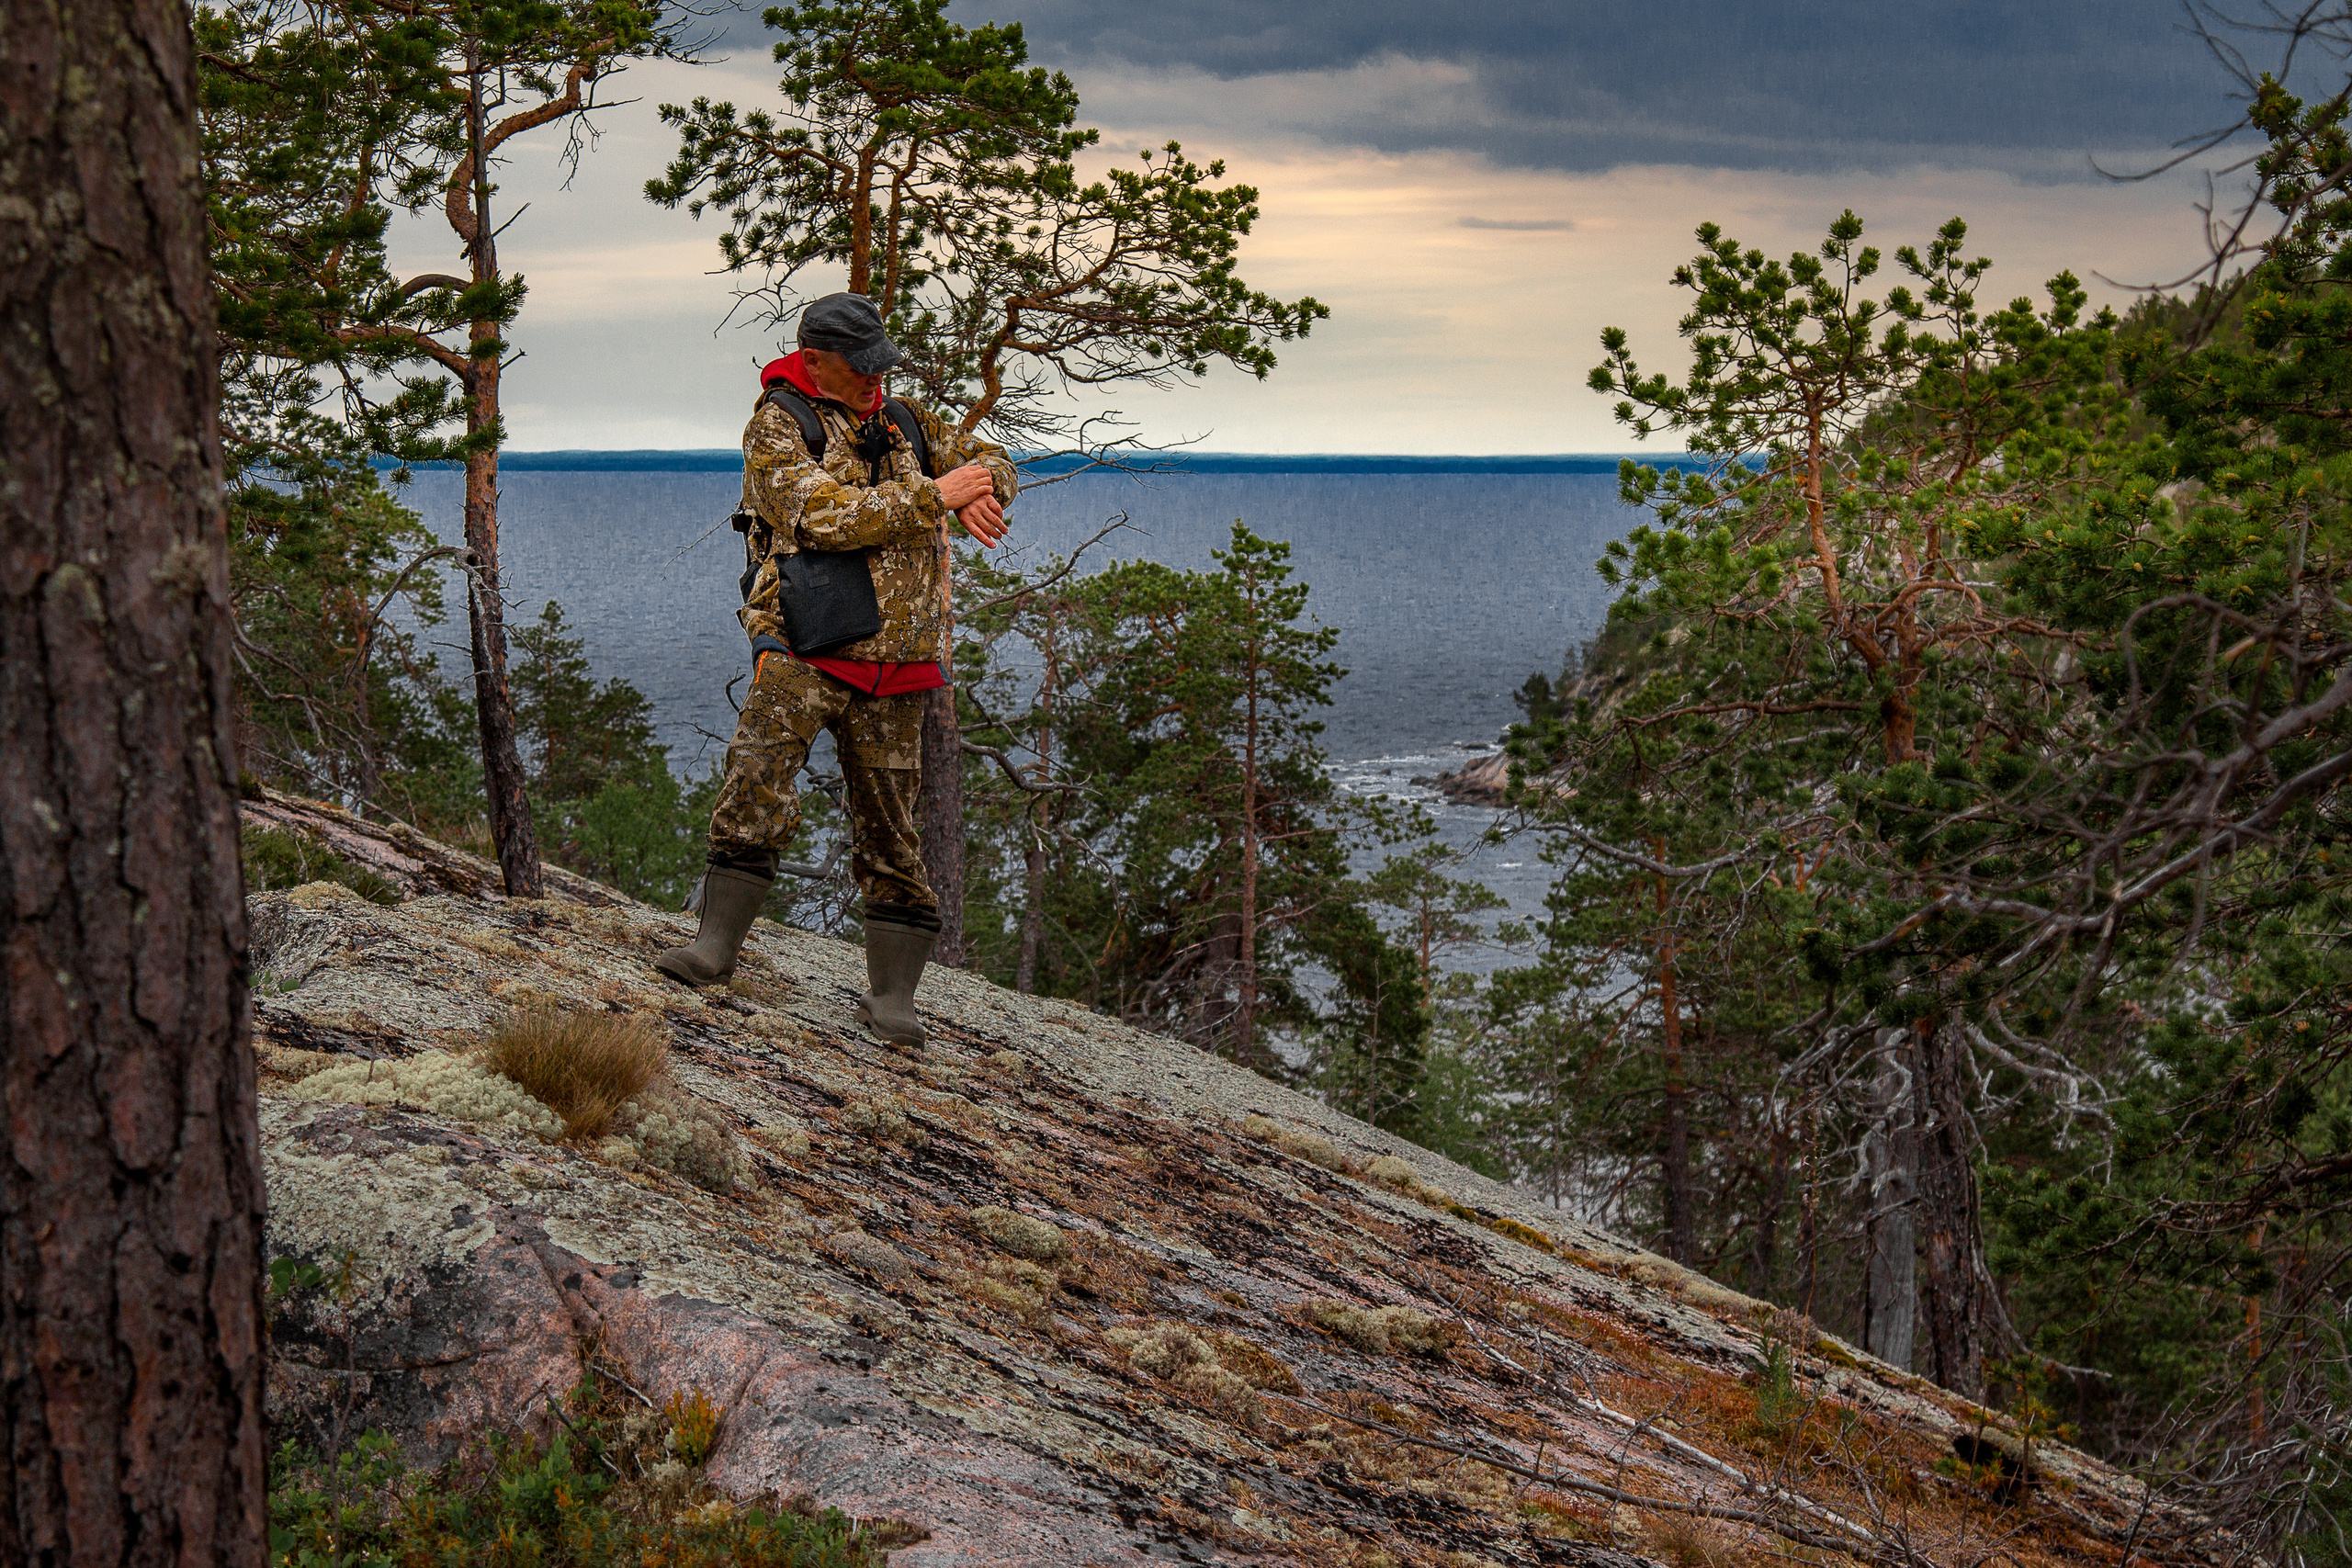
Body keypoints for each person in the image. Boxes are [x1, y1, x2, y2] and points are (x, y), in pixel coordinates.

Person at [655, 293, 1012, 1049]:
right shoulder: (779, 424)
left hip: (899, 665)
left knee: (891, 828)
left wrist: (982, 488)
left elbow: (991, 461)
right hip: (805, 646)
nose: (875, 379)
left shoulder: (909, 419)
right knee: (755, 781)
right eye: (860, 367)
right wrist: (937, 495)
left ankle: (894, 999)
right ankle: (714, 948)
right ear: (814, 360)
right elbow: (822, 517)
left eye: (881, 363)